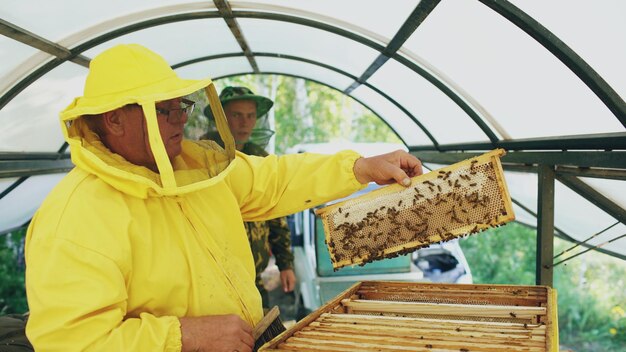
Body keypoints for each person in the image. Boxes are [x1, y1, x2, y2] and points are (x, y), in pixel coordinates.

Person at [24, 44, 423, 352]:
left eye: (180, 106)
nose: (181, 118)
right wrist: (182, 336)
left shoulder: (196, 167)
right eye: (164, 111)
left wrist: (358, 168)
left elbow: (276, 179)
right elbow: (70, 341)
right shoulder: (74, 218)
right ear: (114, 120)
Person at [201, 86, 295, 310]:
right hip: (214, 284)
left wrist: (285, 264)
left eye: (250, 116)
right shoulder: (200, 159)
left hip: (255, 281)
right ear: (220, 118)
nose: (245, 123)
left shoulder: (261, 160)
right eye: (236, 115)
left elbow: (276, 211)